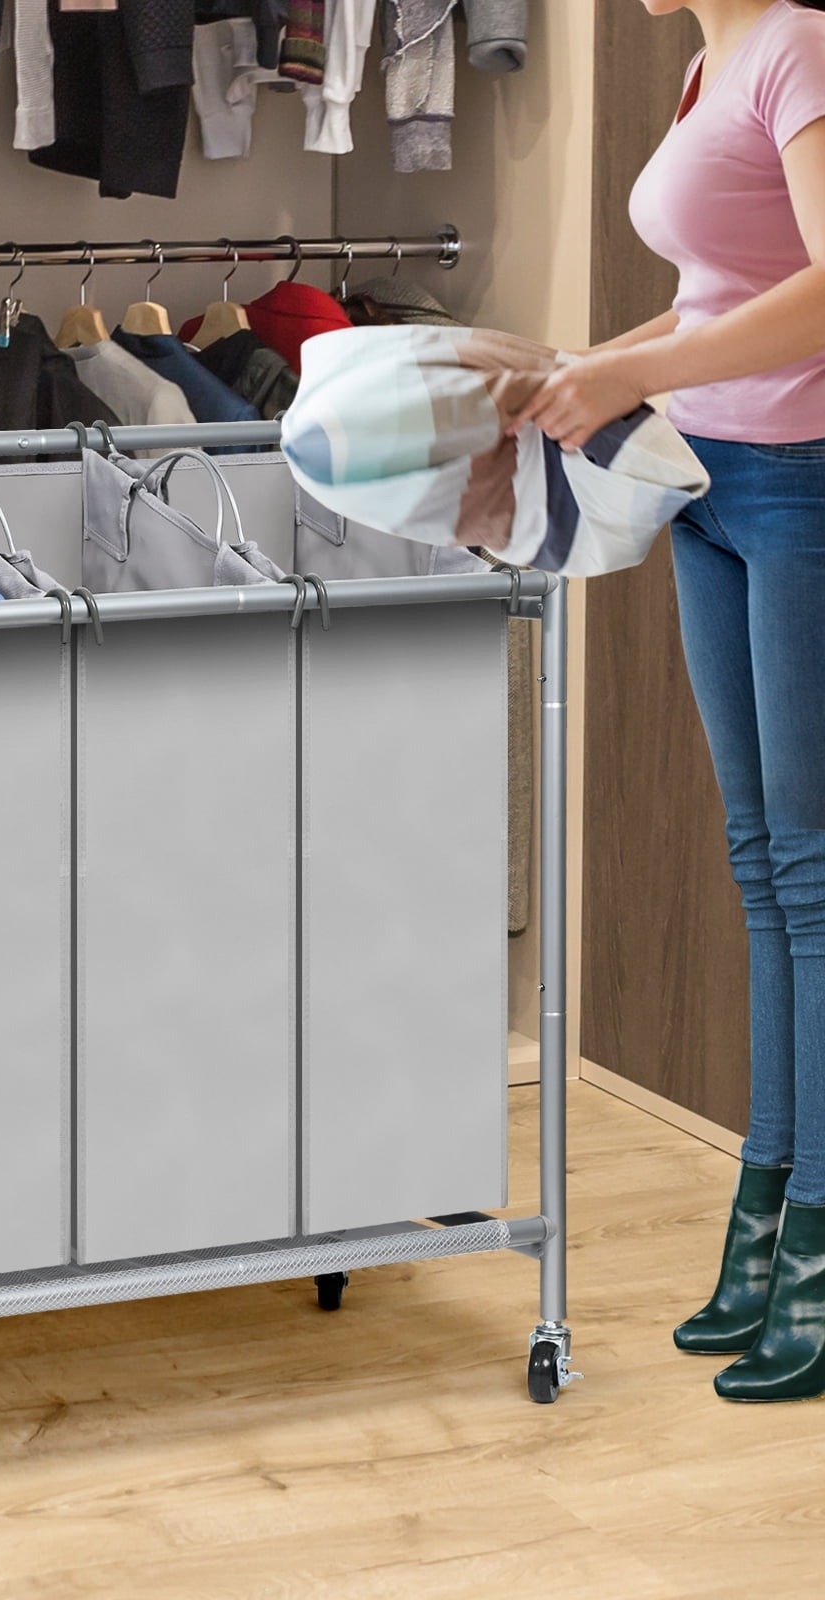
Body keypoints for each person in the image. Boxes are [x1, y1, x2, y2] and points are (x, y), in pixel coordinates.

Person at [513, 0, 825, 1402]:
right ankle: (765, 1226)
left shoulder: (800, 46)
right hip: (711, 483)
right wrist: (593, 367)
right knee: (761, 867)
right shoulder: (714, 63)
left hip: (802, 487)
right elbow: (719, 299)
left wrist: (630, 374)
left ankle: (815, 1246)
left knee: (812, 879)